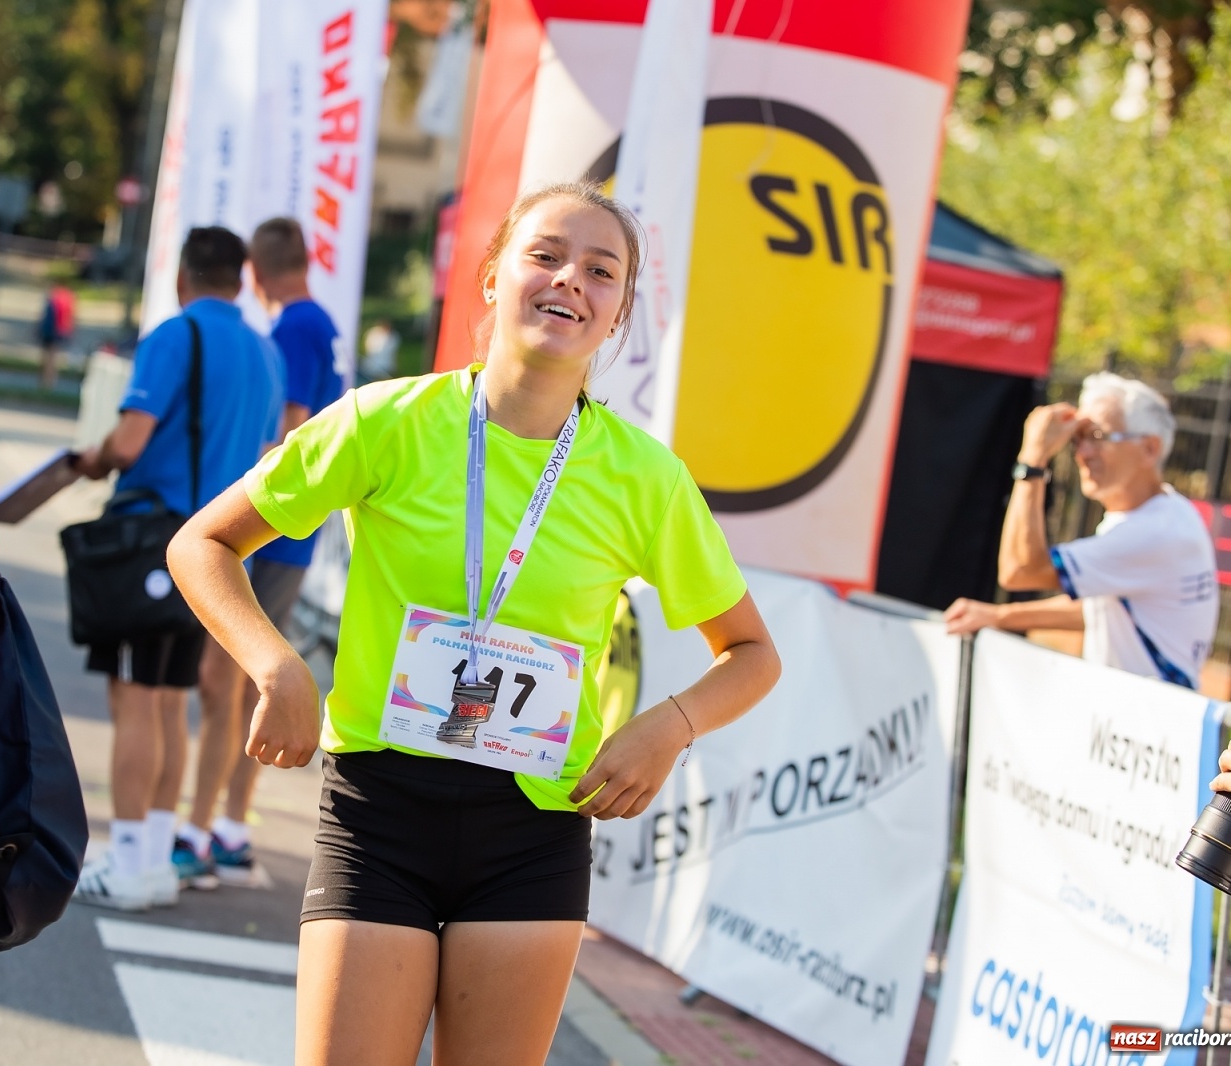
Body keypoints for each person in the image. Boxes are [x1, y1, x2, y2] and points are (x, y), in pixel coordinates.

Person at [166, 181, 781, 1065]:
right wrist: (277, 666)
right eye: (545, 255)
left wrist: (669, 727)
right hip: (381, 810)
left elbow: (753, 654)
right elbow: (203, 544)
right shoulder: (385, 422)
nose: (571, 279)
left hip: (533, 830)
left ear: (617, 316)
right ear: (493, 277)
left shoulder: (645, 478)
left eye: (600, 271)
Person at [70, 226, 283, 911]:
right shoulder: (264, 352)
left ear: (185, 277)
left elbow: (131, 441)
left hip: (151, 540)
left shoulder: (174, 335)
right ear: (243, 278)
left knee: (134, 698)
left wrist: (96, 455)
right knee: (169, 700)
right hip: (216, 549)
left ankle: (129, 860)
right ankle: (155, 858)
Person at [174, 217, 346, 888]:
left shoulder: (296, 328)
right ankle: (231, 830)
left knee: (228, 683)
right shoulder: (323, 323)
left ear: (256, 273)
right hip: (294, 540)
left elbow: (291, 436)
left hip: (274, 532)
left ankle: (199, 834)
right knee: (245, 684)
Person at [944, 372, 1219, 689]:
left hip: (1148, 725)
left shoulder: (1153, 531)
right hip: (1138, 722)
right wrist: (999, 617)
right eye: (1078, 439)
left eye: (1099, 436)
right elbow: (1098, 608)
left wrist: (1033, 460)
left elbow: (1020, 570)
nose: (1083, 453)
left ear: (1150, 448)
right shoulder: (1164, 512)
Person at [38, 282, 78, 390]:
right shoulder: (67, 298)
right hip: (58, 332)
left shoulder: (56, 297)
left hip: (51, 332)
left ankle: (47, 382)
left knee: (49, 358)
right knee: (52, 358)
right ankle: (49, 381)